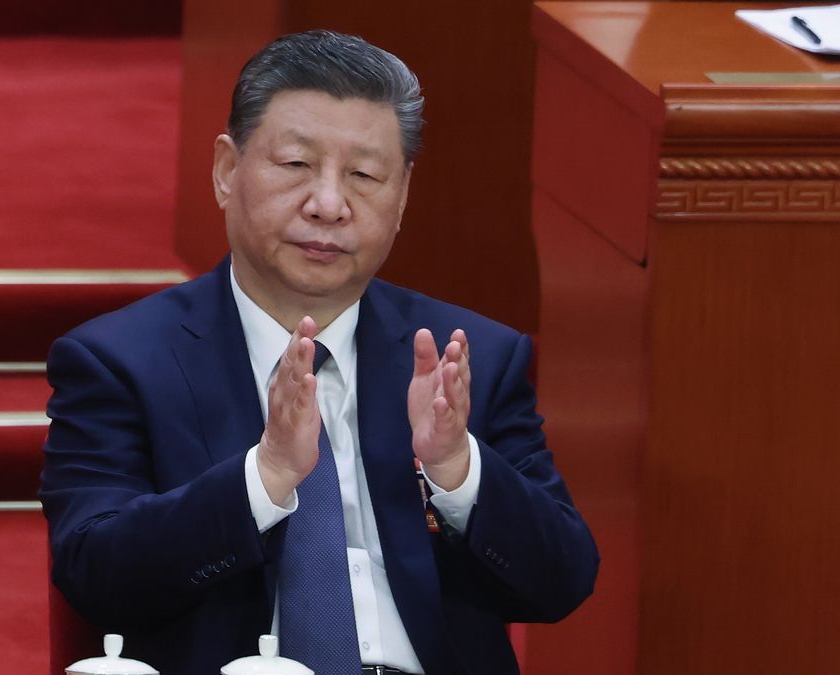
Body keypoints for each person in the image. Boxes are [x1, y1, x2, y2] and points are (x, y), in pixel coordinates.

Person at [41, 29, 598, 675]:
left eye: (364, 175)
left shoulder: (468, 356)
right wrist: (267, 475)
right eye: (296, 165)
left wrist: (457, 468)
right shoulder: (118, 360)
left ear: (403, 196)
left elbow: (563, 580)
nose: (329, 204)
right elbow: (95, 574)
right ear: (227, 171)